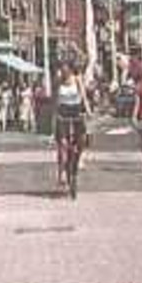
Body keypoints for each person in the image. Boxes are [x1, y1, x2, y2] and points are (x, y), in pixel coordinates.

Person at [52, 62, 88, 190]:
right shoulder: (58, 81)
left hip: (76, 110)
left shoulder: (77, 80)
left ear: (71, 71)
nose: (64, 73)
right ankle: (61, 173)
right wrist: (55, 115)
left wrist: (87, 111)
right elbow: (55, 99)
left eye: (66, 71)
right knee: (62, 144)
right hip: (62, 112)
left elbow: (83, 96)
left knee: (82, 138)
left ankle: (80, 157)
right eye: (62, 71)